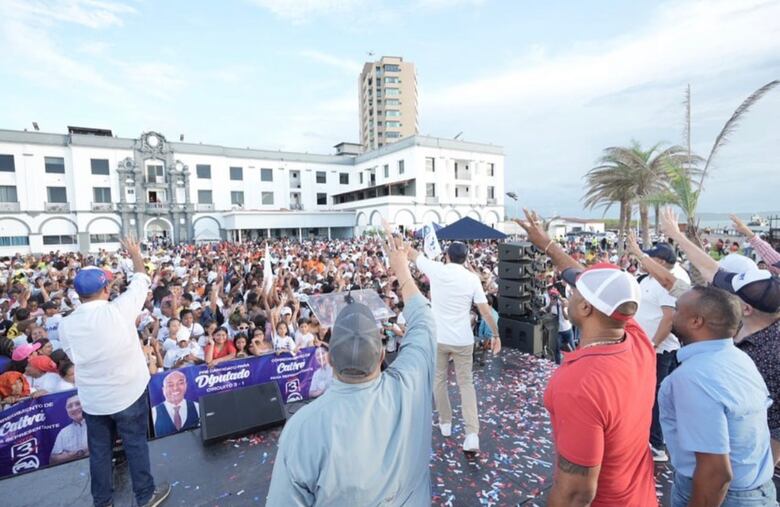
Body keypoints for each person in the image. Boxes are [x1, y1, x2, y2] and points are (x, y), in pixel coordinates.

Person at [267, 227, 436, 506]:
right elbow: (425, 320)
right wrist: (402, 270)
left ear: (330, 359)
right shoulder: (412, 383)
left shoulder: (302, 428)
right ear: (382, 355)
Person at [515, 210, 656, 506]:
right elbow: (590, 283)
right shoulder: (637, 338)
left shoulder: (578, 384)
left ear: (587, 308)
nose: (570, 293)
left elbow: (576, 493)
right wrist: (547, 245)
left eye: (575, 293)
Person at [660, 207, 780, 464]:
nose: (720, 293)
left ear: (745, 308)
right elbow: (710, 269)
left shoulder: (770, 356)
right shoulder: (756, 320)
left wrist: (761, 468)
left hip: (743, 473)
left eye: (729, 292)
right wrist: (677, 236)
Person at [58, 237, 170, 507]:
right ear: (106, 288)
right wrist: (135, 253)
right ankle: (145, 496)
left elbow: (75, 358)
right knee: (135, 444)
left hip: (94, 400)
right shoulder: (119, 310)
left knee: (99, 452)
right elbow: (141, 278)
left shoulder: (66, 325)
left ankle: (103, 502)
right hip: (128, 393)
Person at [659, 286, 776, 505]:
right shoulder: (738, 358)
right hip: (756, 491)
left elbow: (716, 473)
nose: (672, 315)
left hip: (721, 496)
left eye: (677, 309)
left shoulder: (693, 377)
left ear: (696, 321)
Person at [409, 241, 500, 453]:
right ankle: (471, 435)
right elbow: (485, 311)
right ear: (466, 258)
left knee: (439, 380)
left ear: (447, 256)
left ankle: (445, 423)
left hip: (439, 338)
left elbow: (412, 255)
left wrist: (395, 239)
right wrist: (495, 334)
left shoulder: (437, 269)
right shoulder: (472, 279)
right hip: (463, 339)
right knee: (465, 384)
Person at [631, 240, 690, 462]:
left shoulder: (668, 282)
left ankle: (656, 445)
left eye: (649, 258)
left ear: (661, 262)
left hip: (659, 351)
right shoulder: (649, 278)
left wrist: (652, 344)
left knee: (656, 398)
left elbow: (668, 318)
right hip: (647, 348)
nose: (644, 262)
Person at [152, 370, 200, 437]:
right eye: (170, 385)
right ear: (163, 389)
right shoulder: (154, 413)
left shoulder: (197, 407)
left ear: (186, 385)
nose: (175, 388)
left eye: (180, 383)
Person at [50, 394, 89, 465]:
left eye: (78, 404)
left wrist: (67, 455)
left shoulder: (97, 424)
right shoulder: (63, 432)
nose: (74, 408)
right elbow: (53, 459)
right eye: (69, 406)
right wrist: (81, 453)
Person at [546, 288, 574, 365]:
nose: (553, 297)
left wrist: (562, 307)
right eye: (551, 296)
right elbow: (547, 312)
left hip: (567, 329)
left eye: (554, 296)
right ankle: (557, 365)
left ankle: (574, 364)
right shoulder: (550, 301)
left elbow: (567, 317)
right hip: (557, 331)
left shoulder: (564, 302)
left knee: (572, 349)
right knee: (556, 349)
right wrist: (551, 305)